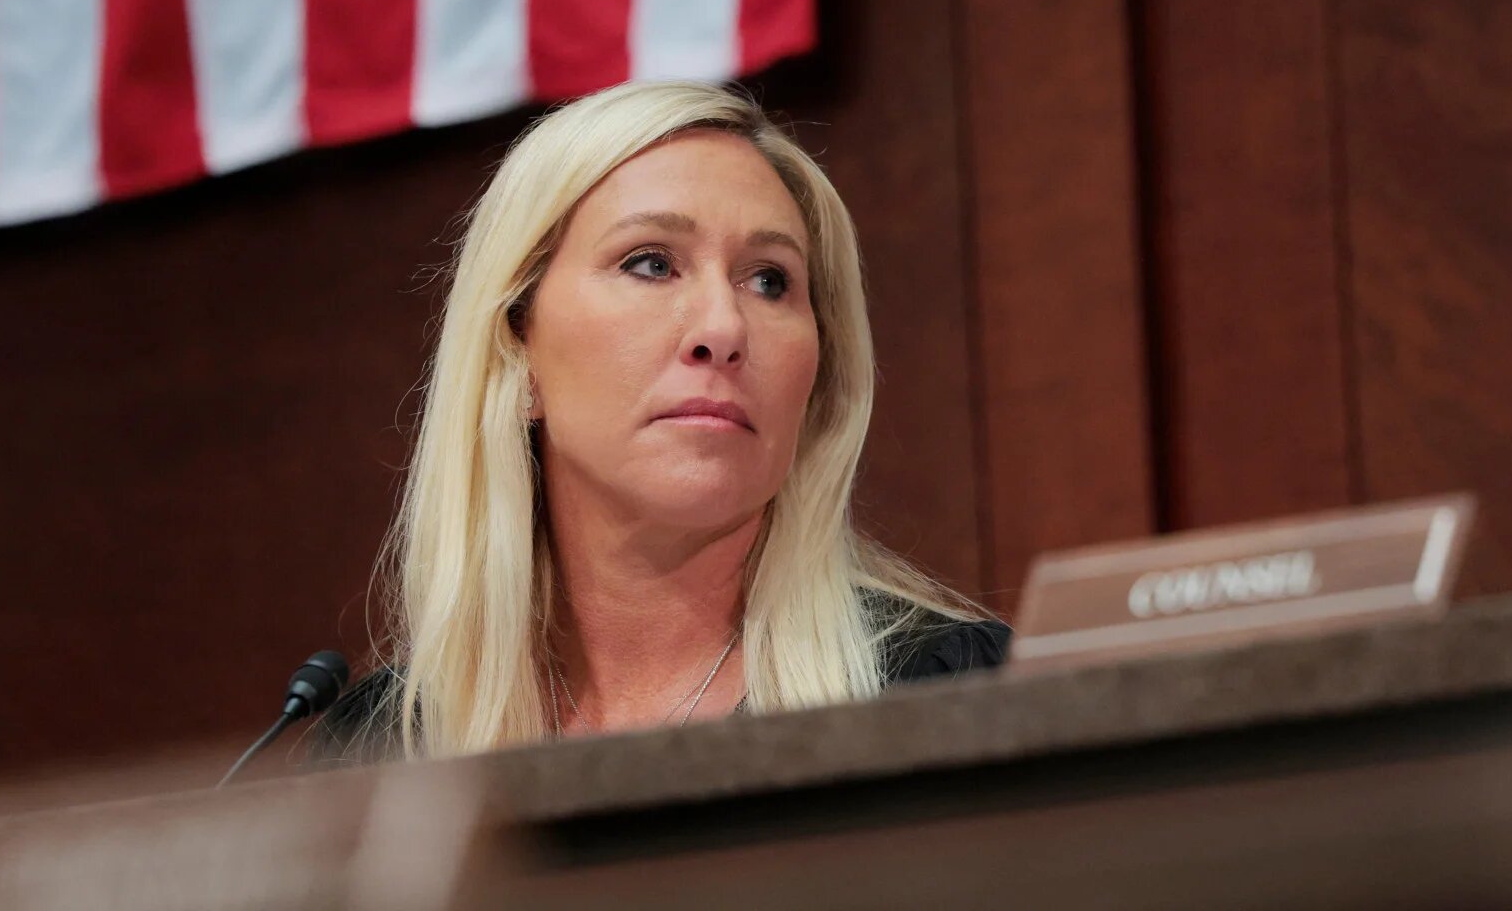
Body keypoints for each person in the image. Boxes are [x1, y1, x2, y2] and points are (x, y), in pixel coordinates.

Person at [313, 81, 1007, 765]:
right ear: (516, 353)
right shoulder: (379, 755)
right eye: (651, 263)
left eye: (769, 279)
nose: (724, 327)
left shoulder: (961, 697)